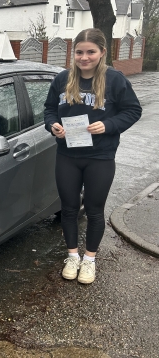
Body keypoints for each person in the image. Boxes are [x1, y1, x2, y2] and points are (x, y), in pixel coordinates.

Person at [44, 28, 142, 284]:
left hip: (100, 156)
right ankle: (73, 255)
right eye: (79, 52)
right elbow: (48, 110)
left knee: (95, 211)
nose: (84, 57)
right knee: (69, 209)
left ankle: (89, 259)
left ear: (102, 53)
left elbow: (132, 111)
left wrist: (108, 125)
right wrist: (53, 126)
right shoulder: (62, 79)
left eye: (90, 52)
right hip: (68, 155)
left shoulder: (115, 79)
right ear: (73, 52)